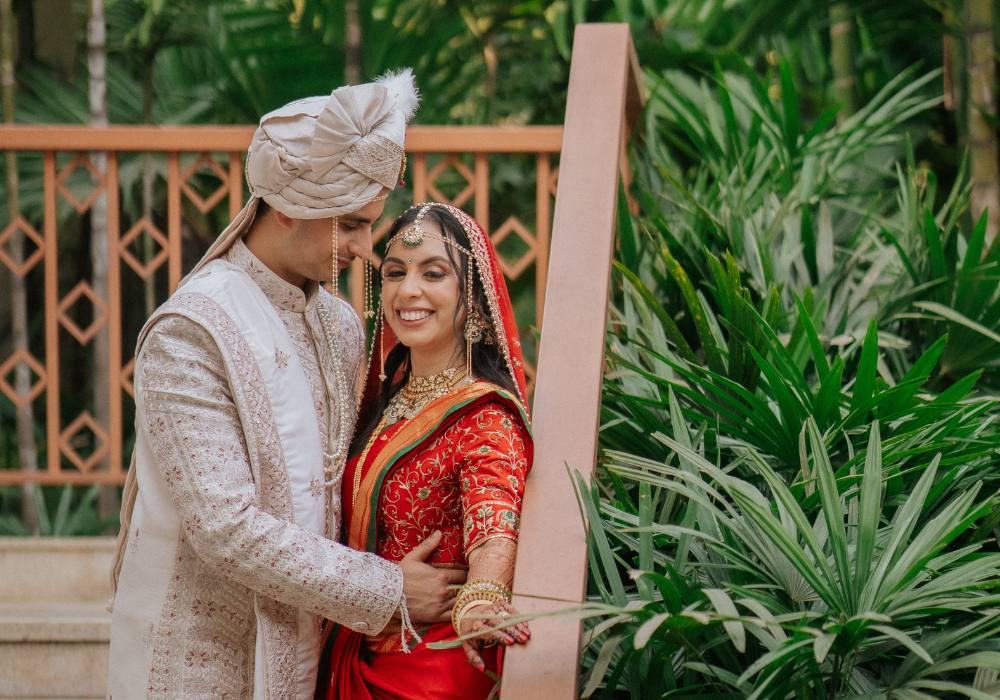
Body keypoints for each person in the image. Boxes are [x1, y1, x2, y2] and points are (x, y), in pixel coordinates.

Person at [106, 71, 465, 700]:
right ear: (285, 208)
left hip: (313, 645)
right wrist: (385, 590)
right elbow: (225, 526)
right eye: (350, 225)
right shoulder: (191, 332)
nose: (364, 248)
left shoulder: (340, 323)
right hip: (202, 657)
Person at [321, 203, 533, 700]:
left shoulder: (483, 415)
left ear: (474, 300)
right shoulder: (385, 403)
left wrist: (482, 597)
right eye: (395, 273)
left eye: (433, 273)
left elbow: (494, 517)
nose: (407, 290)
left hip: (432, 669)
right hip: (360, 651)